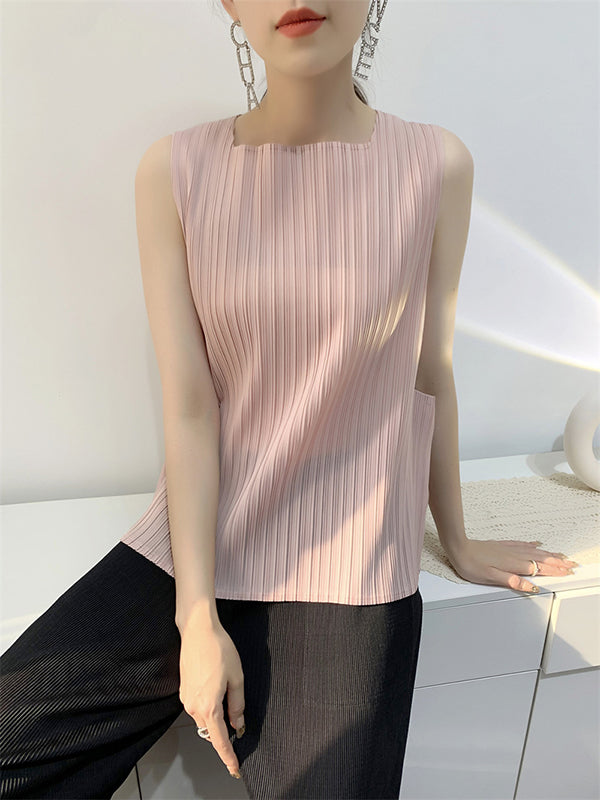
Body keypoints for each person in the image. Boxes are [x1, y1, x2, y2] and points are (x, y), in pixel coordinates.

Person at [0, 1, 579, 798]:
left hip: (351, 561)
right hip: (192, 545)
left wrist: (459, 539)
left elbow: (428, 369)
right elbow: (192, 405)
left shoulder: (434, 164)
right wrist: (195, 618)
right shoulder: (174, 171)